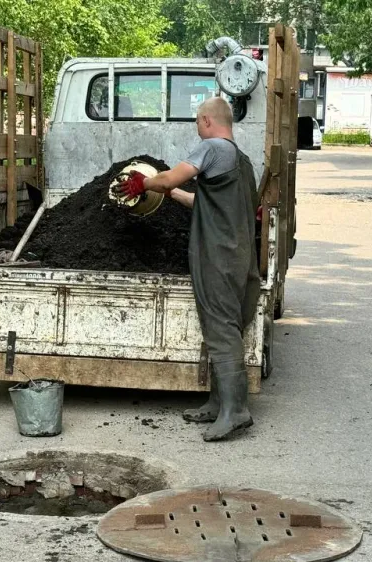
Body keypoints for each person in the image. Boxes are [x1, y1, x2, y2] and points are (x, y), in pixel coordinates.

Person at [118, 96, 260, 442]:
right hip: (240, 257)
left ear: (208, 121)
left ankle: (236, 411)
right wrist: (173, 195)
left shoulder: (212, 148)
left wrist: (144, 183)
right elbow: (206, 202)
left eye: (198, 122)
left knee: (221, 329)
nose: (197, 128)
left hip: (217, 257)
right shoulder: (242, 163)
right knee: (226, 328)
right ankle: (218, 402)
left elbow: (166, 178)